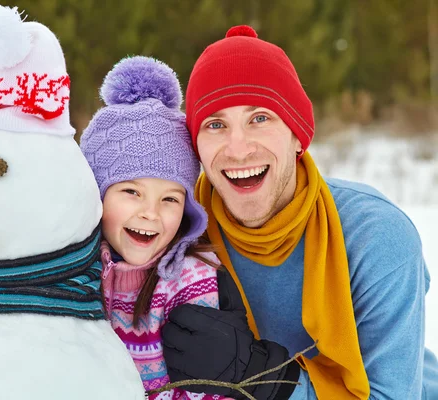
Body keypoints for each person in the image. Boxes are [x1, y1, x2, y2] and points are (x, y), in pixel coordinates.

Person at [161, 25, 438, 399]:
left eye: (259, 118)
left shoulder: (376, 238)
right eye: (215, 124)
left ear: (297, 135)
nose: (238, 149)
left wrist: (265, 379)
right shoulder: (177, 228)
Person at [80, 56, 226, 399]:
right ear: (98, 195)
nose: (151, 213)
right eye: (131, 192)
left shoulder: (188, 281)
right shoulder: (77, 266)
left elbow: (205, 390)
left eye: (170, 199)